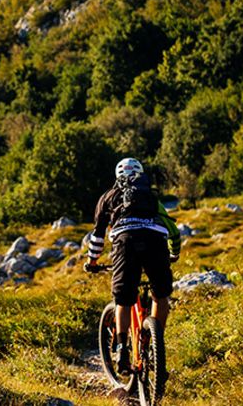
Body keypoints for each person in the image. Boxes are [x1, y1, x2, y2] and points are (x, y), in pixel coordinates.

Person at [84, 157, 181, 374]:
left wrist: (92, 262)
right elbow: (173, 232)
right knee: (161, 294)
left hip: (125, 243)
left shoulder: (108, 197)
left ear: (117, 176)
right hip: (156, 242)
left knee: (123, 298)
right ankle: (157, 345)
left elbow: (98, 237)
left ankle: (122, 352)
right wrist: (173, 254)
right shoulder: (150, 197)